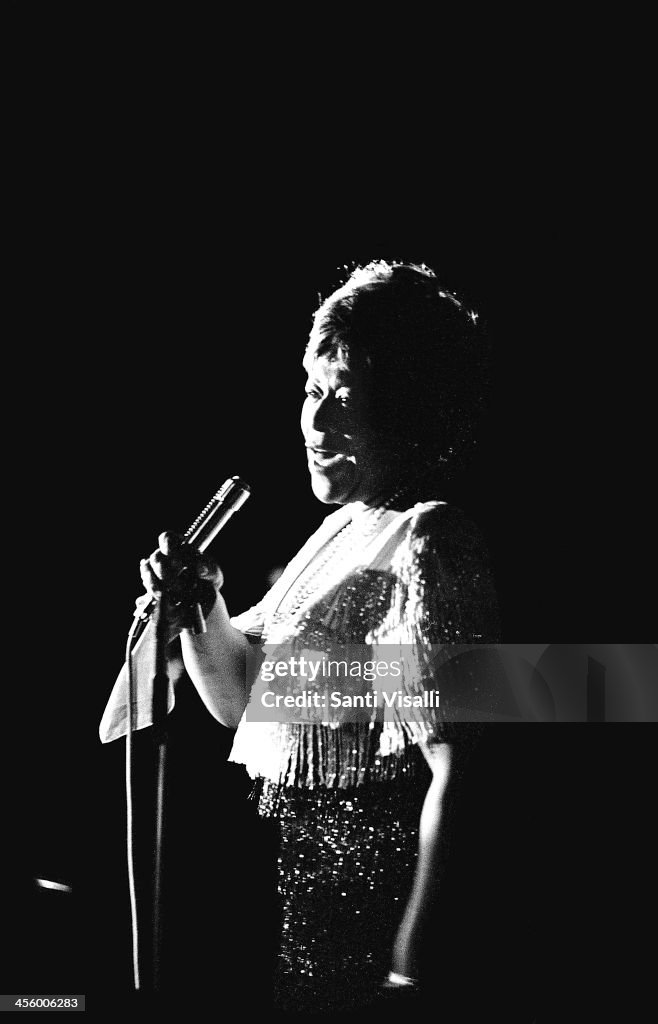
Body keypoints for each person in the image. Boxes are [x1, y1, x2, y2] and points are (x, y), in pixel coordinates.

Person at [100, 261, 499, 1014]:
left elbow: (466, 771)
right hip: (307, 936)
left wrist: (414, 965)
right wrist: (202, 608)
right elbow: (240, 701)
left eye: (345, 398)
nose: (316, 422)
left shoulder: (431, 539)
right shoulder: (336, 536)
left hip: (380, 934)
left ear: (409, 406)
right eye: (313, 391)